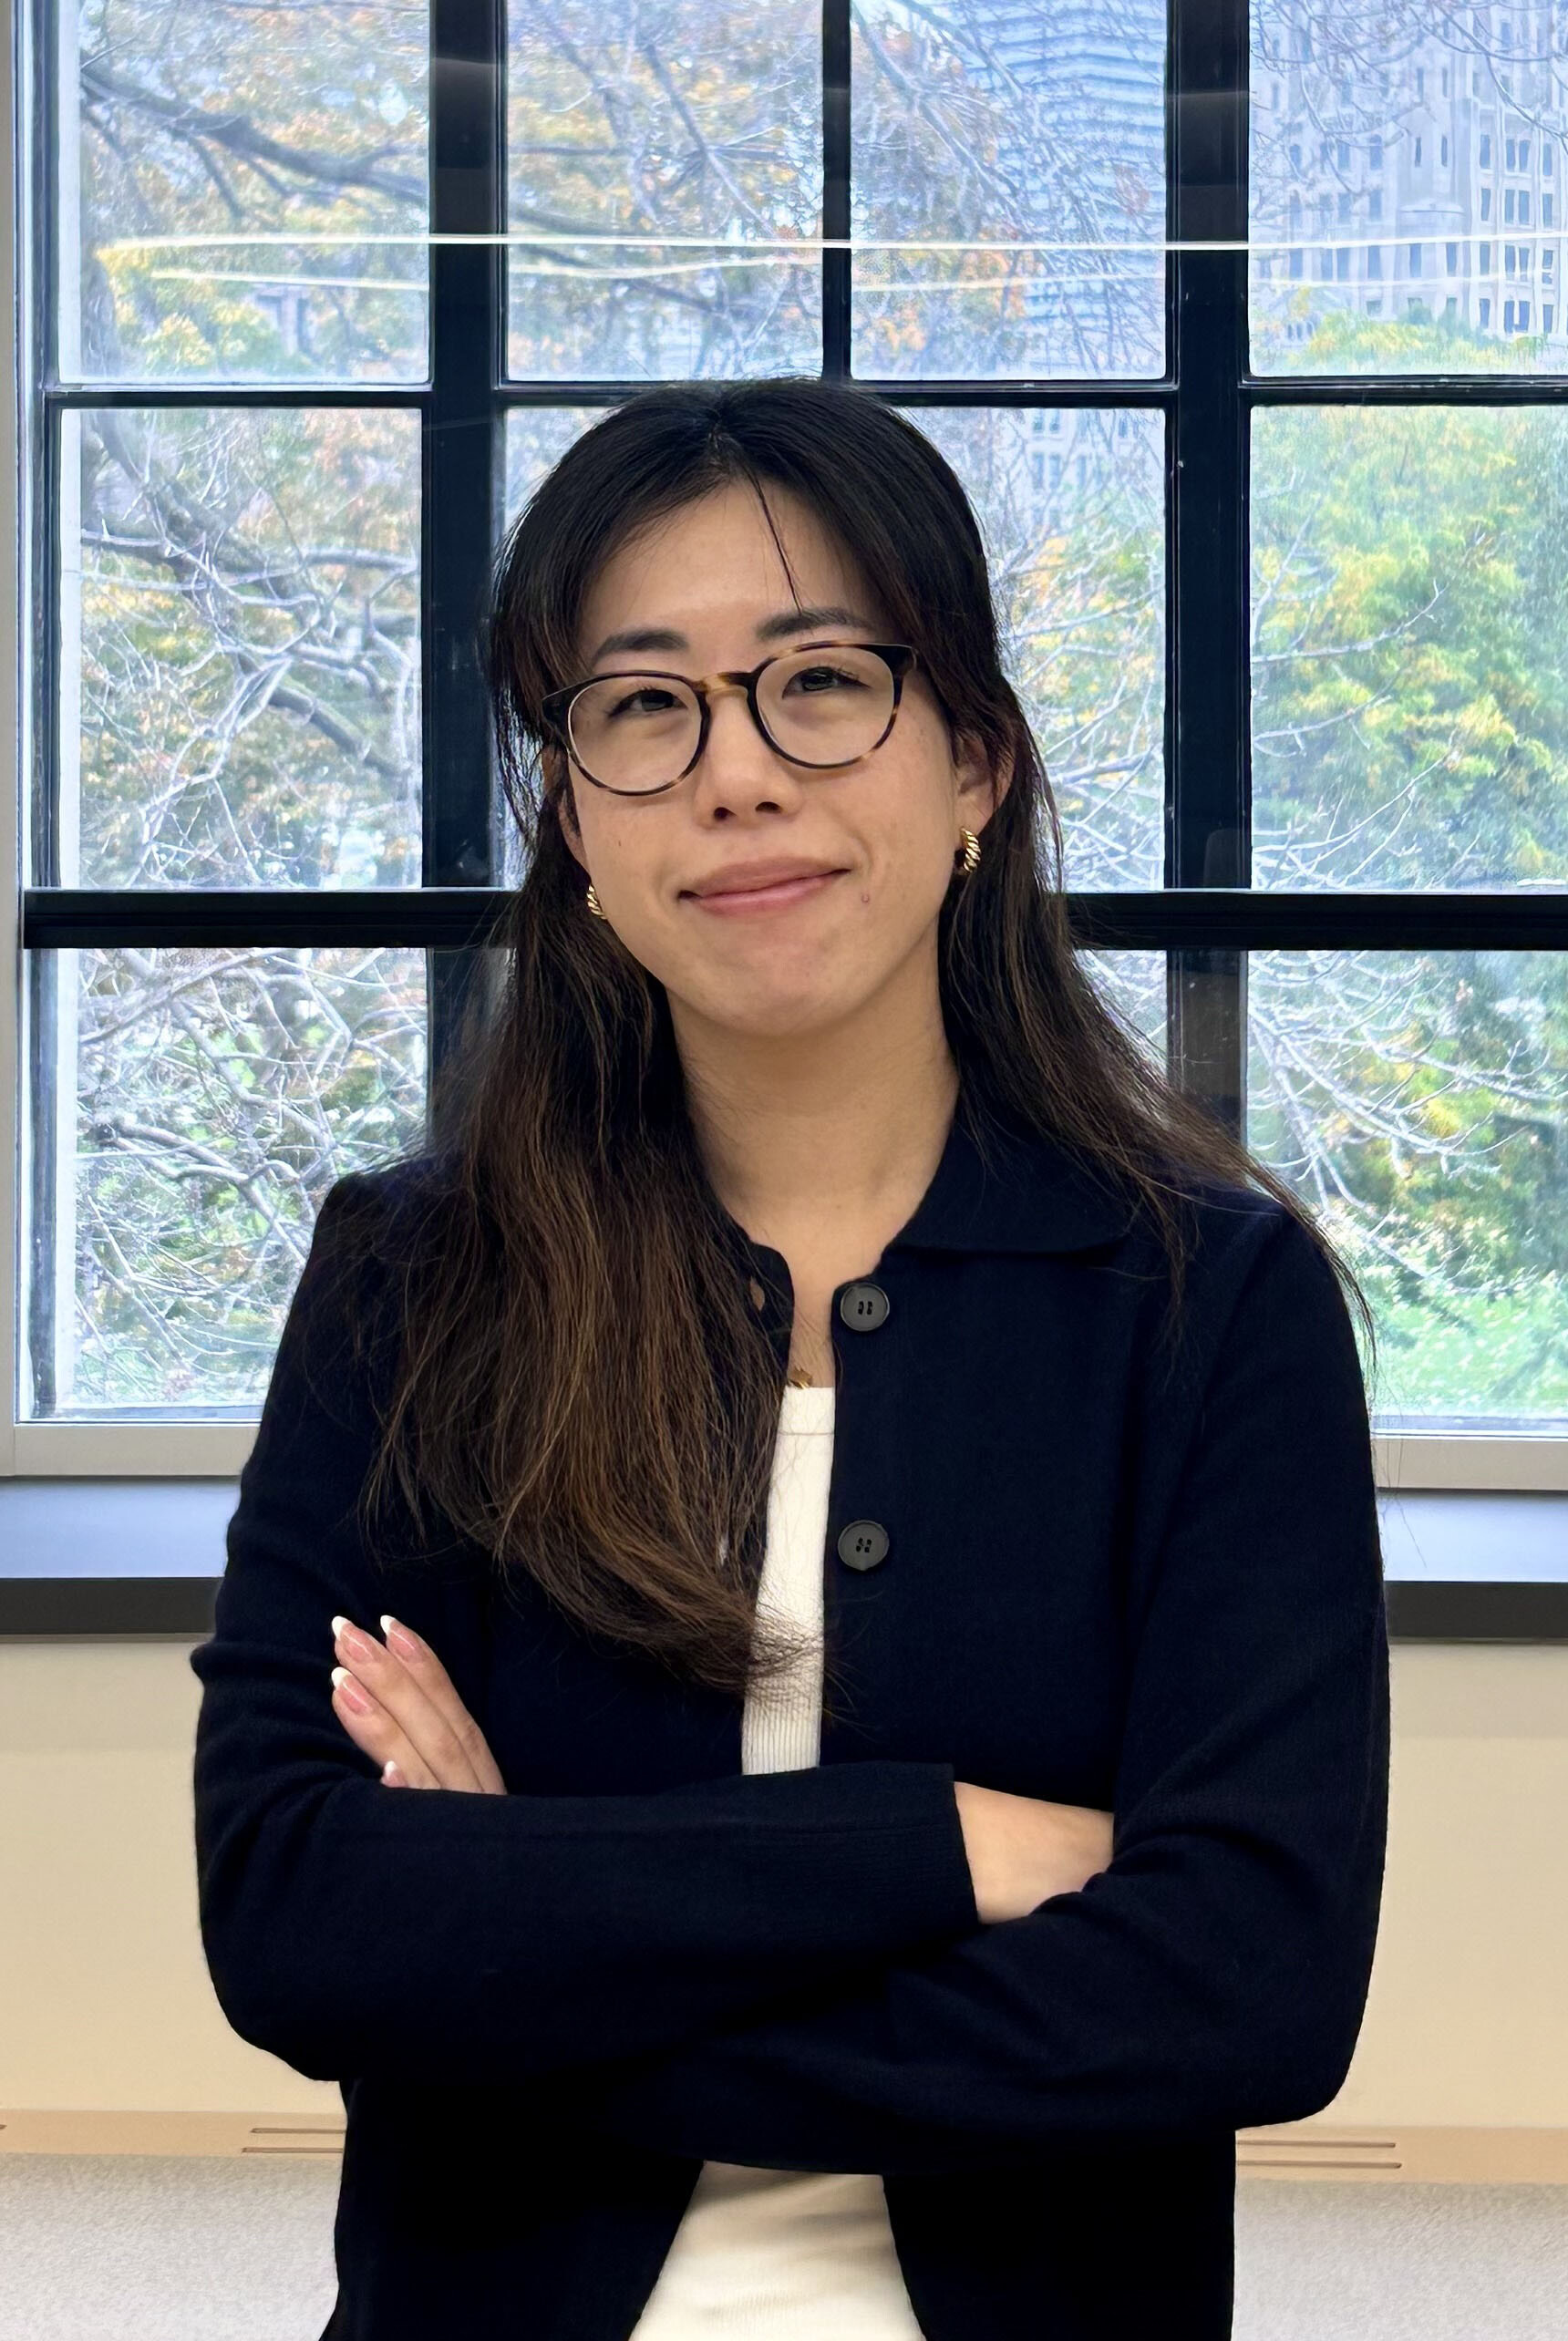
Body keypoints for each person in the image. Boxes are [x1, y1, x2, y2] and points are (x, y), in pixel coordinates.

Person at [189, 377, 1390, 2341]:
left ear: (977, 763)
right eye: (640, 707)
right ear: (572, 821)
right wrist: (934, 1846)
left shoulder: (1205, 1306)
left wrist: (521, 1941)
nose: (733, 775)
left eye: (820, 682)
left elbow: (1244, 1984)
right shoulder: (414, 1284)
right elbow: (295, 1919)